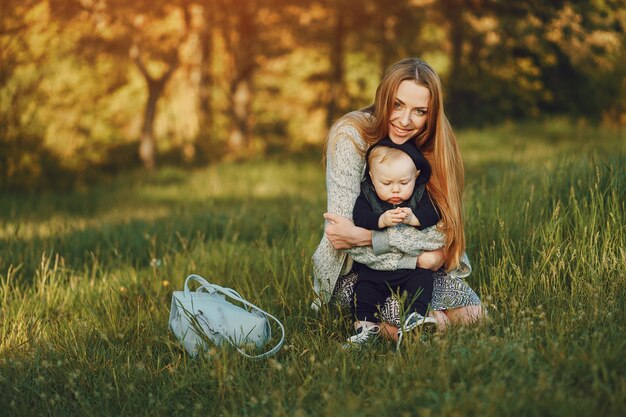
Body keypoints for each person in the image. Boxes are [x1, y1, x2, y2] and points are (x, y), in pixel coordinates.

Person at [312, 58, 483, 340]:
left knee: (474, 316)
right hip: (360, 270)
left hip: (417, 269)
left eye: (419, 111)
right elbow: (343, 238)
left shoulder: (435, 142)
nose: (405, 121)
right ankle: (373, 328)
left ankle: (401, 325)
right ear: (383, 98)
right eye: (397, 105)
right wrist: (417, 258)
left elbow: (446, 232)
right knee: (433, 325)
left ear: (431, 114)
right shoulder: (351, 136)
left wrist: (368, 235)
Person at [347, 138, 439, 347]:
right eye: (386, 184)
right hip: (376, 265)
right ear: (372, 177)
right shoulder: (367, 194)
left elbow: (434, 212)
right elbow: (359, 217)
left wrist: (413, 219)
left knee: (423, 282)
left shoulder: (420, 193)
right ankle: (365, 328)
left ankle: (414, 319)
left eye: (404, 183)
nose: (395, 190)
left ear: (416, 176)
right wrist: (380, 220)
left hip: (411, 265)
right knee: (363, 290)